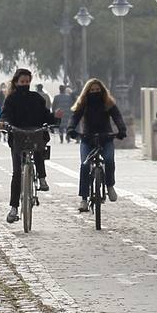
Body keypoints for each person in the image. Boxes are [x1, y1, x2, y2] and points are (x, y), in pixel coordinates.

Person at [1, 68, 56, 224]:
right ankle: (13, 208)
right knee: (17, 172)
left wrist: (55, 118)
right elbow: (5, 114)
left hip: (35, 133)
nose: (25, 84)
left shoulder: (36, 98)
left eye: (27, 82)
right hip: (17, 135)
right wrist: (5, 123)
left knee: (39, 149)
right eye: (22, 82)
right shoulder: (10, 99)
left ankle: (42, 178)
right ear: (17, 82)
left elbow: (46, 115)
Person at [67, 77, 128, 212]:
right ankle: (83, 198)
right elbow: (75, 117)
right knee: (84, 165)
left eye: (97, 90)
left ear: (102, 90)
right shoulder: (84, 104)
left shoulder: (108, 103)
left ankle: (110, 185)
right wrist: (71, 129)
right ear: (87, 92)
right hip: (87, 139)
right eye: (92, 90)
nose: (95, 92)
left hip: (106, 138)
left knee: (109, 160)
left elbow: (117, 117)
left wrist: (122, 130)